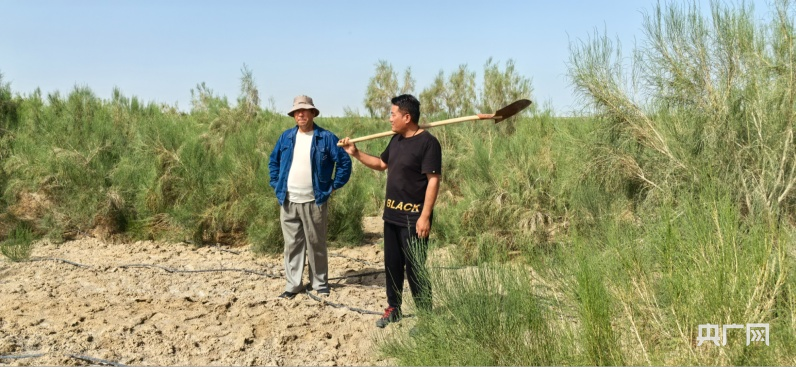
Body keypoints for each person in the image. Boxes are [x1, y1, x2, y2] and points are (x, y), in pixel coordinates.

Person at [338, 94, 441, 328]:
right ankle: (394, 308)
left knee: (415, 267)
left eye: (392, 114)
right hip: (391, 215)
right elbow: (381, 164)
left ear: (407, 117)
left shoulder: (428, 143)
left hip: (414, 218)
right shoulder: (396, 140)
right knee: (392, 265)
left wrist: (425, 216)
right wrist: (355, 153)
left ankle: (426, 317)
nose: (389, 119)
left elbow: (433, 181)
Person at [269, 95, 352, 299]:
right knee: (292, 245)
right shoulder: (286, 138)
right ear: (293, 115)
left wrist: (332, 187)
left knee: (316, 243)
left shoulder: (326, 138)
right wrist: (277, 184)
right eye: (297, 111)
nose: (301, 114)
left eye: (305, 110)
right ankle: (293, 285)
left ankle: (320, 283)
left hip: (315, 201)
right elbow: (274, 162)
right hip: (288, 201)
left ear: (313, 113)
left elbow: (344, 163)